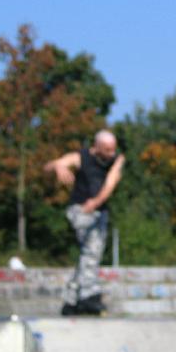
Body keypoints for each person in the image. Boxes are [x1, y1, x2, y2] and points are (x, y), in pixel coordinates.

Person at [44, 130, 125, 315]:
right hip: (79, 210)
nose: (111, 153)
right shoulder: (82, 157)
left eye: (113, 149)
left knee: (88, 253)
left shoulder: (117, 160)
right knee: (92, 248)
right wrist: (58, 166)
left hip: (98, 210)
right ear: (96, 147)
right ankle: (89, 295)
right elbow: (49, 166)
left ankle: (71, 300)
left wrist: (95, 203)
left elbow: (110, 184)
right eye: (107, 150)